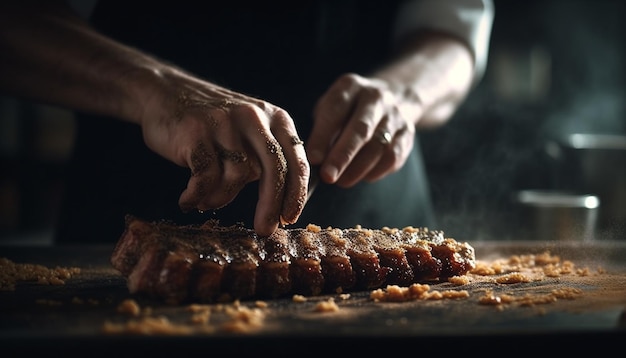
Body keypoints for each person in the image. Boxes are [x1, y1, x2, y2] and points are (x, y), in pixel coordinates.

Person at [0, 0, 494, 243]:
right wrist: (154, 88)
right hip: (132, 216)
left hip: (374, 213)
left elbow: (451, 31)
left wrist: (402, 94)